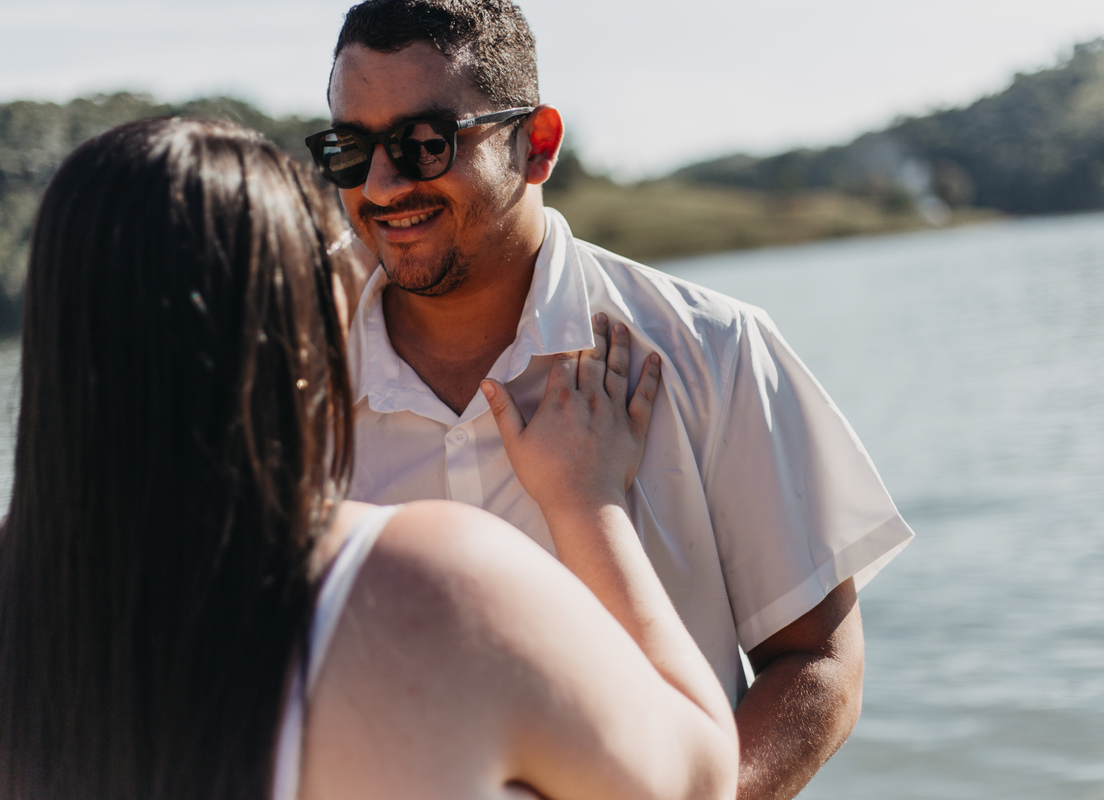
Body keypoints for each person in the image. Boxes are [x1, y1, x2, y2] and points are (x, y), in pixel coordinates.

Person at [0, 117, 739, 800]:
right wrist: (587, 502)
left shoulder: (32, 609)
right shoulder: (429, 581)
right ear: (292, 337)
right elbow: (698, 776)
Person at [311, 2, 916, 797]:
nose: (381, 185)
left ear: (537, 144)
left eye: (426, 144)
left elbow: (819, 662)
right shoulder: (285, 382)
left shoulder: (716, 348)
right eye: (350, 151)